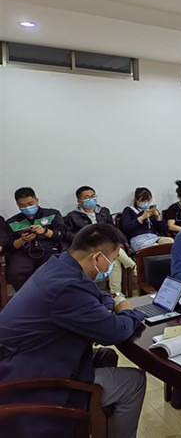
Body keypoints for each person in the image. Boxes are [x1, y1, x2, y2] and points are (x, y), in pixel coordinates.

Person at [0, 223, 146, 438]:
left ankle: (97, 420)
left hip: (34, 355)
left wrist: (109, 304)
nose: (113, 264)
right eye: (113, 259)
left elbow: (98, 295)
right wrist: (127, 310)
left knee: (106, 355)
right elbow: (115, 332)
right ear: (97, 258)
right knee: (134, 382)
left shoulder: (60, 265)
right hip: (29, 378)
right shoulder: (66, 288)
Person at [65, 185, 136, 301]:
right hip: (88, 247)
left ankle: (116, 293)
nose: (91, 199)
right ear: (79, 201)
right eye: (87, 197)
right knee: (113, 254)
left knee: (114, 259)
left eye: (93, 196)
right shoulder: (72, 216)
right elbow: (67, 235)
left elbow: (112, 229)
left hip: (106, 245)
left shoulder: (104, 211)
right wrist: (86, 238)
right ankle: (133, 266)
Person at [3, 187, 66, 291]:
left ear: (37, 200)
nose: (27, 207)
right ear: (17, 205)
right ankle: (29, 298)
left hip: (48, 251)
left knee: (56, 271)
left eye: (30, 203)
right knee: (15, 273)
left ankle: (51, 298)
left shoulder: (52, 214)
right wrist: (23, 240)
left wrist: (45, 231)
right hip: (24, 254)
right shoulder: (12, 222)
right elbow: (9, 246)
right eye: (22, 205)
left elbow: (61, 235)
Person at [120, 187, 173, 252]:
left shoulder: (152, 210)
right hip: (137, 239)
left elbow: (164, 229)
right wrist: (141, 218)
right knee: (156, 247)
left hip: (153, 237)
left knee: (170, 242)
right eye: (143, 201)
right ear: (136, 200)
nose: (146, 203)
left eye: (148, 200)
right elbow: (126, 228)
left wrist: (158, 217)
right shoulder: (129, 210)